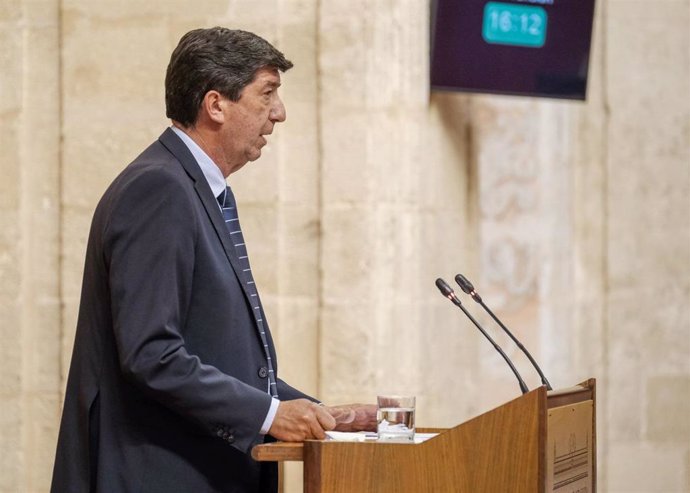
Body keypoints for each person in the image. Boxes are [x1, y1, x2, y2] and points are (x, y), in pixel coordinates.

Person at [51, 27, 375, 493]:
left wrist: (321, 414)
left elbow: (217, 359)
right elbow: (151, 355)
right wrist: (271, 415)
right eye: (267, 95)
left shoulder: (193, 189)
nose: (279, 114)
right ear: (216, 104)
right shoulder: (159, 189)